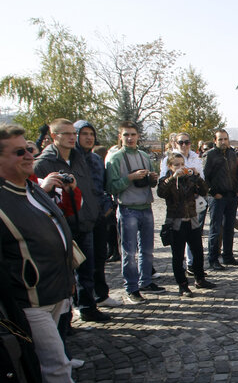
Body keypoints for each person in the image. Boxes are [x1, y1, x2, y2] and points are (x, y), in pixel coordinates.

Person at [0, 123, 102, 383]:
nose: (29, 155)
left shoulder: (32, 189)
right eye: (19, 151)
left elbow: (61, 227)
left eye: (29, 149)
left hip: (57, 287)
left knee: (53, 356)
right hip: (28, 298)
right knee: (54, 363)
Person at [34, 119, 111, 322]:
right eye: (66, 133)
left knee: (87, 268)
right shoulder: (43, 163)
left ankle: (87, 307)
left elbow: (89, 189)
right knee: (64, 274)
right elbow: (35, 196)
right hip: (60, 226)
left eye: (72, 133)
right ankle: (64, 317)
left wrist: (95, 212)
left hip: (85, 221)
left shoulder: (80, 159)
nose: (71, 137)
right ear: (54, 136)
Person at [106, 121, 163, 304]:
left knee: (147, 250)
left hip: (146, 207)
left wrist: (152, 179)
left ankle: (146, 281)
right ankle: (131, 288)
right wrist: (130, 178)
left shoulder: (145, 156)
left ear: (138, 136)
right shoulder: (116, 158)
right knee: (129, 252)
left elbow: (151, 183)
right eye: (126, 135)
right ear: (120, 137)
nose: (130, 138)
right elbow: (111, 187)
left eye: (133, 135)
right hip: (128, 208)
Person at [73, 120, 120, 309]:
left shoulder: (95, 160)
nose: (89, 138)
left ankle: (101, 294)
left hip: (100, 216)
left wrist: (108, 206)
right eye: (84, 134)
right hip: (80, 218)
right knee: (83, 262)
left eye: (91, 134)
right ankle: (83, 302)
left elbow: (103, 187)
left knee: (99, 257)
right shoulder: (73, 160)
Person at [156, 151, 215, 296]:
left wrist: (196, 176)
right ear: (170, 166)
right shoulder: (166, 180)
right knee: (178, 255)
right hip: (176, 221)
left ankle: (200, 279)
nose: (180, 167)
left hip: (192, 220)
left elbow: (204, 190)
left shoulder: (189, 179)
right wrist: (172, 178)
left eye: (182, 164)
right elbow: (161, 192)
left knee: (198, 252)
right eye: (176, 165)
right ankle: (182, 284)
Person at [203, 129, 238, 270]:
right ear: (215, 141)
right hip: (217, 197)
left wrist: (237, 188)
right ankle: (213, 259)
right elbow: (204, 178)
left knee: (229, 228)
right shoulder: (210, 155)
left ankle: (228, 256)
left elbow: (236, 173)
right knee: (215, 229)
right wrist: (213, 192)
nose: (223, 142)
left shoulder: (232, 154)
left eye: (225, 139)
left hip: (232, 196)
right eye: (220, 139)